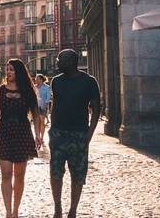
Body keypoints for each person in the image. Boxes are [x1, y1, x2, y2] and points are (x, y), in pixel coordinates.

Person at [49, 49, 100, 218]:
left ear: (71, 62)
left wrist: (89, 135)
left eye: (60, 59)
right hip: (58, 133)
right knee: (56, 172)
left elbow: (96, 109)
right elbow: (54, 105)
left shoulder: (89, 82)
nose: (57, 62)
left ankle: (73, 210)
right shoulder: (55, 81)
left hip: (79, 134)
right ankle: (57, 208)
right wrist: (51, 131)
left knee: (78, 174)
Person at [0, 58, 41, 218]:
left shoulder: (28, 90)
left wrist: (38, 134)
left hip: (22, 133)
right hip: (4, 132)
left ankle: (16, 211)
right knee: (6, 175)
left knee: (19, 176)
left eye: (11, 69)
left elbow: (36, 114)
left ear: (18, 72)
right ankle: (8, 211)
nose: (8, 72)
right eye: (7, 69)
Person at [35, 73, 52, 139]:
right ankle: (38, 136)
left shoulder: (47, 87)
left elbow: (48, 97)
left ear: (41, 80)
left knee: (42, 121)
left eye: (37, 79)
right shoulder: (34, 87)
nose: (36, 80)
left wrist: (45, 105)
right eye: (36, 79)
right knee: (37, 122)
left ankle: (41, 137)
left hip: (43, 106)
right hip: (36, 106)